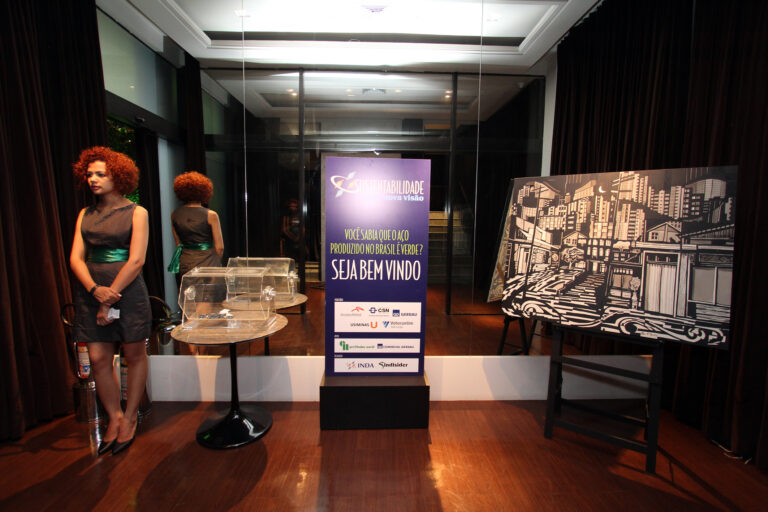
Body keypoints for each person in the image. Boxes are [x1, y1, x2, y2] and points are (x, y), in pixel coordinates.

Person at [70, 146, 151, 456]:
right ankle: (114, 418)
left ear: (118, 177)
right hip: (91, 293)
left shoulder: (137, 212)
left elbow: (137, 260)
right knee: (99, 359)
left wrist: (109, 297)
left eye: (101, 174)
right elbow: (76, 258)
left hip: (127, 293)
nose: (93, 179)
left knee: (134, 355)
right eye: (90, 174)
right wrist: (95, 291)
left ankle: (130, 417)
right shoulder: (85, 214)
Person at [168, 171, 224, 284]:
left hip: (185, 262)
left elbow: (178, 243)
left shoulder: (174, 214)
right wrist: (213, 261)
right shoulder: (211, 215)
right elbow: (220, 248)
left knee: (187, 293)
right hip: (208, 262)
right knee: (208, 293)